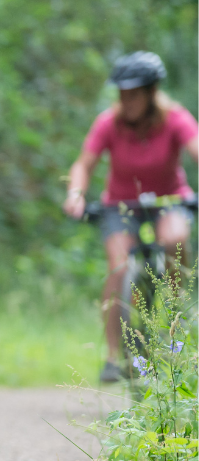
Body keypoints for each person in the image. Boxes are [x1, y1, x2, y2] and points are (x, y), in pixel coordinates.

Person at [63, 52, 198, 383]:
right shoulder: (108, 123)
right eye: (122, 93)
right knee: (119, 265)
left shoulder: (174, 118)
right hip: (120, 205)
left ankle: (177, 320)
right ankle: (113, 356)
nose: (126, 100)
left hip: (170, 199)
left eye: (134, 93)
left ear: (152, 93)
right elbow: (84, 164)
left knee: (174, 240)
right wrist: (76, 194)